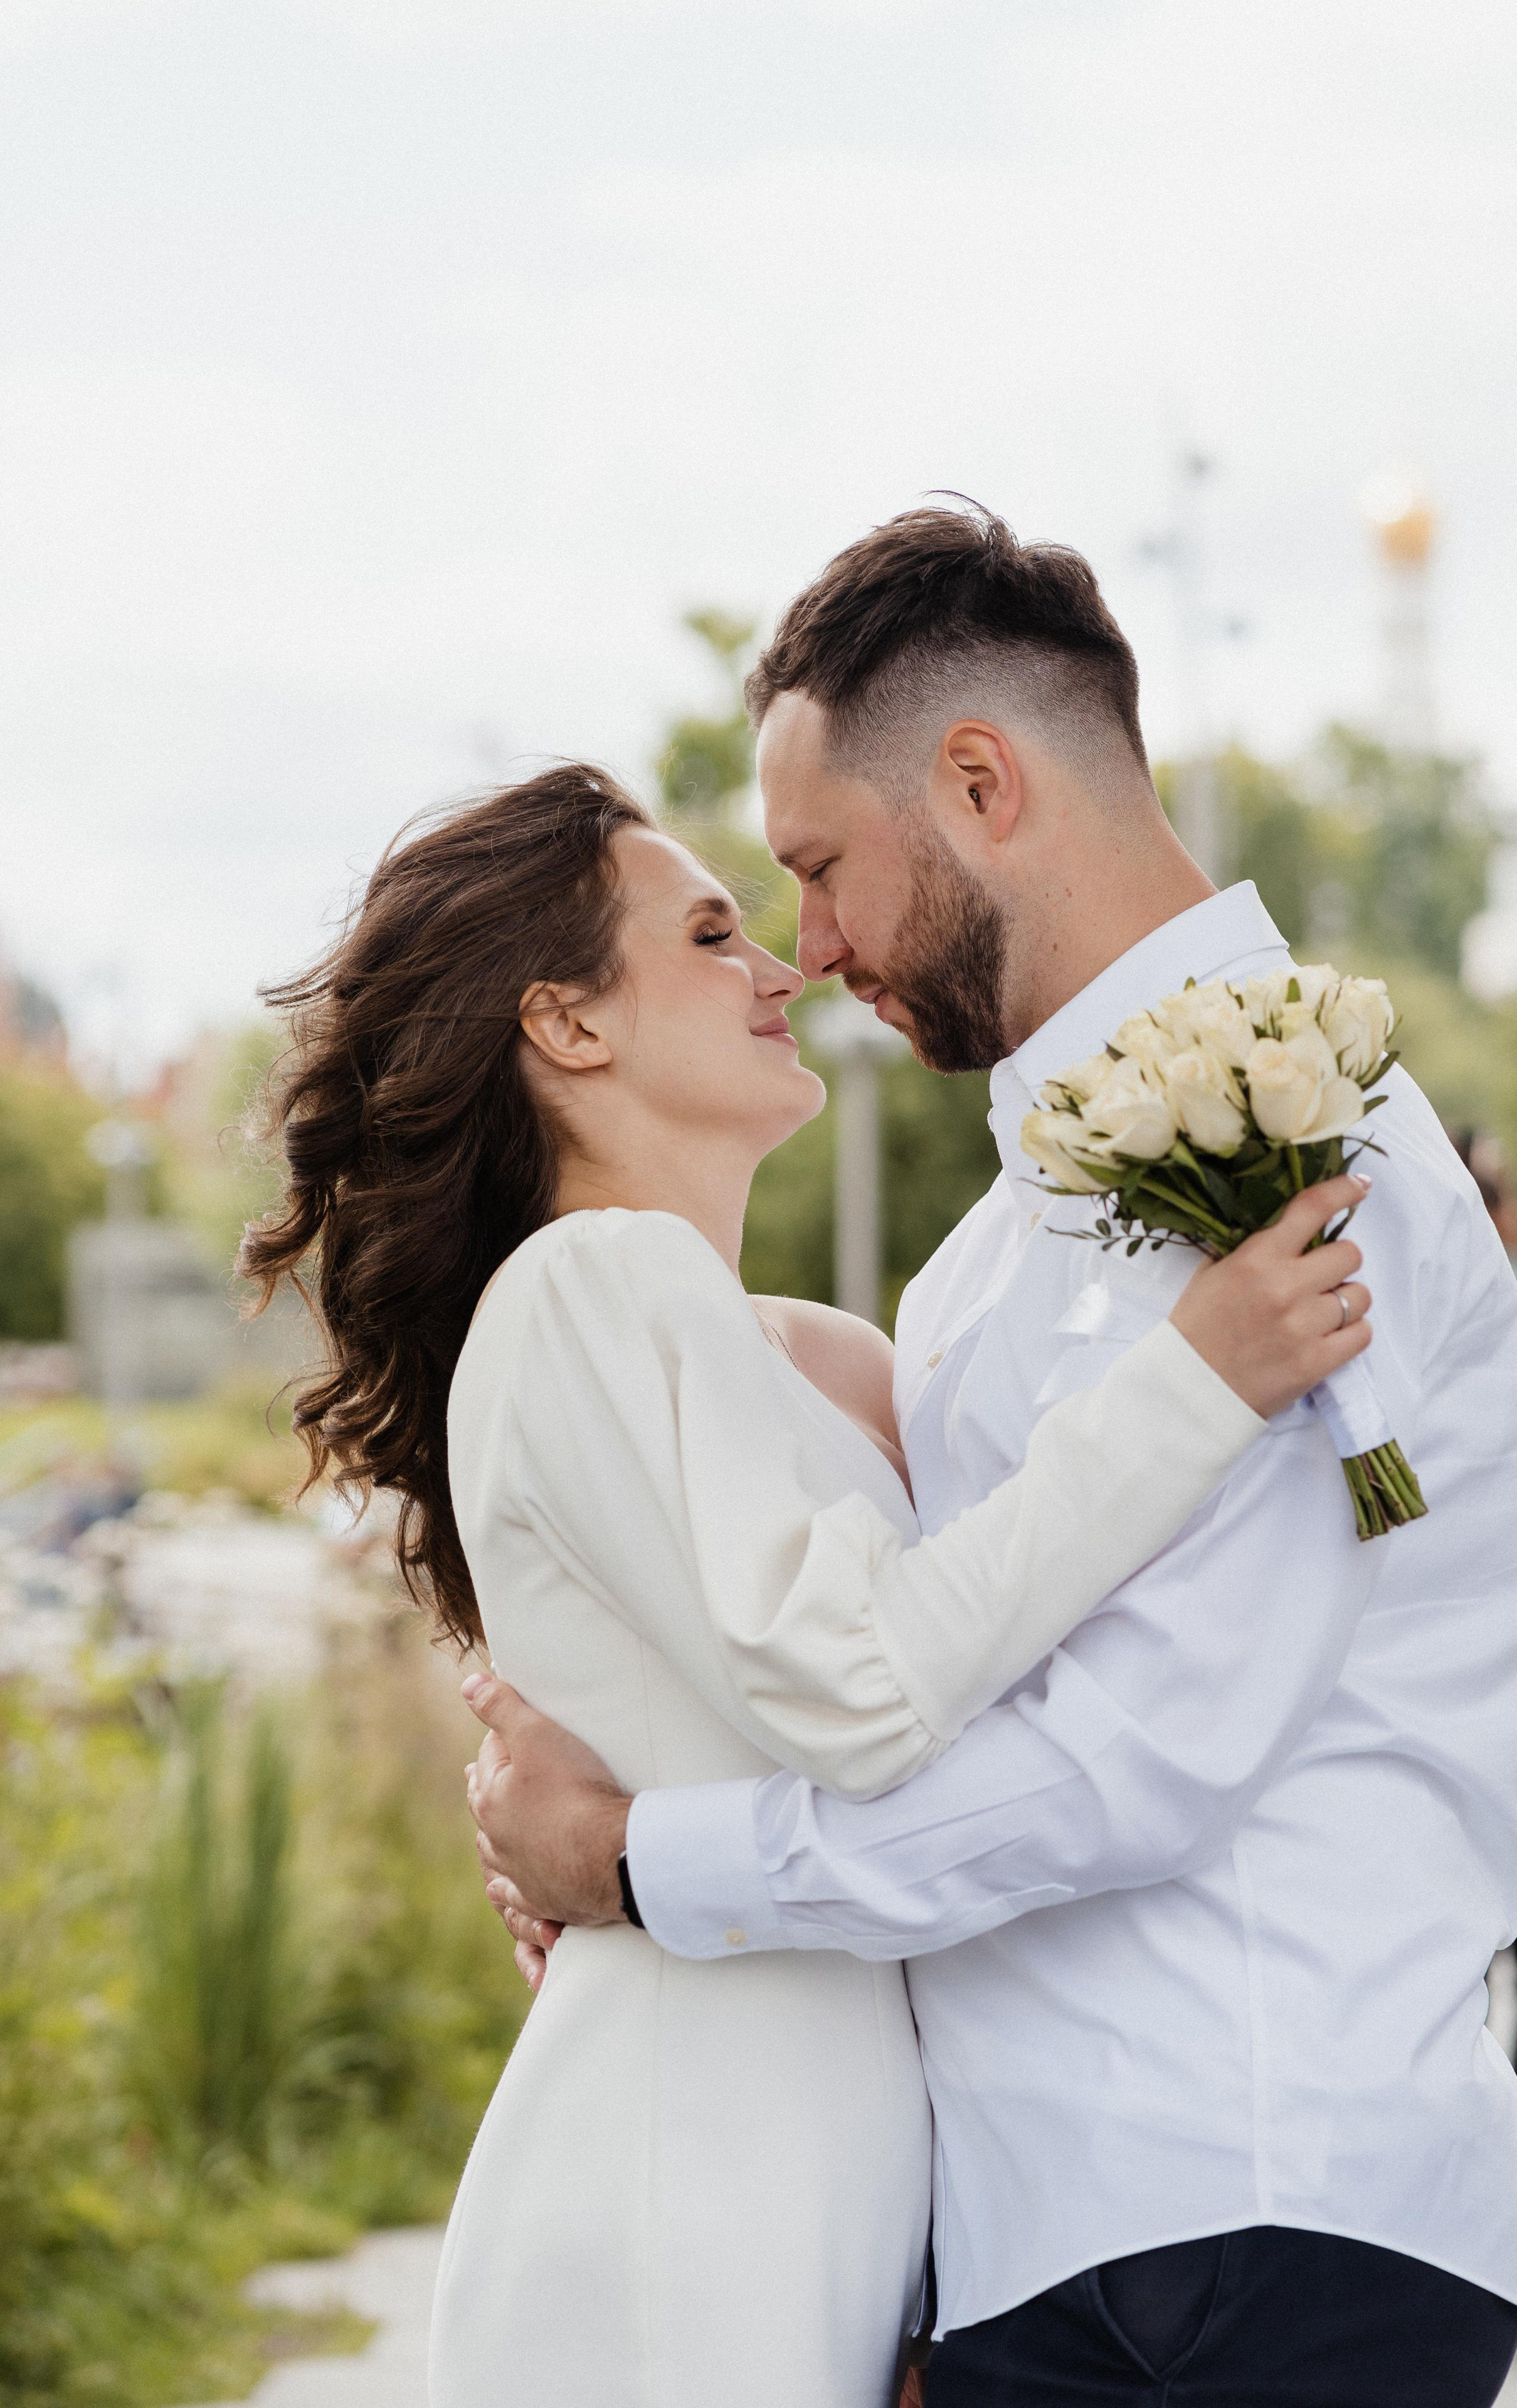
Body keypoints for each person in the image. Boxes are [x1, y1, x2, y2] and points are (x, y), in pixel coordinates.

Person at [467, 505, 1517, 2408]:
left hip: (1240, 2201)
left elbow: (1129, 1769)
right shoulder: (975, 1268)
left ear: (978, 783)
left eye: (819, 869)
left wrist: (645, 1862)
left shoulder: (1297, 1159)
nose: (810, 949)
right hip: (1059, 2240)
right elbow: (903, 1659)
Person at [238, 756, 1372, 2408]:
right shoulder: (584, 1282)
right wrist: (1197, 1384)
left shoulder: (828, 1358)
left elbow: (990, 1675)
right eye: (710, 935)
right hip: (681, 2178)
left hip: (850, 2197)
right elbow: (865, 1686)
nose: (782, 967)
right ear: (567, 1024)